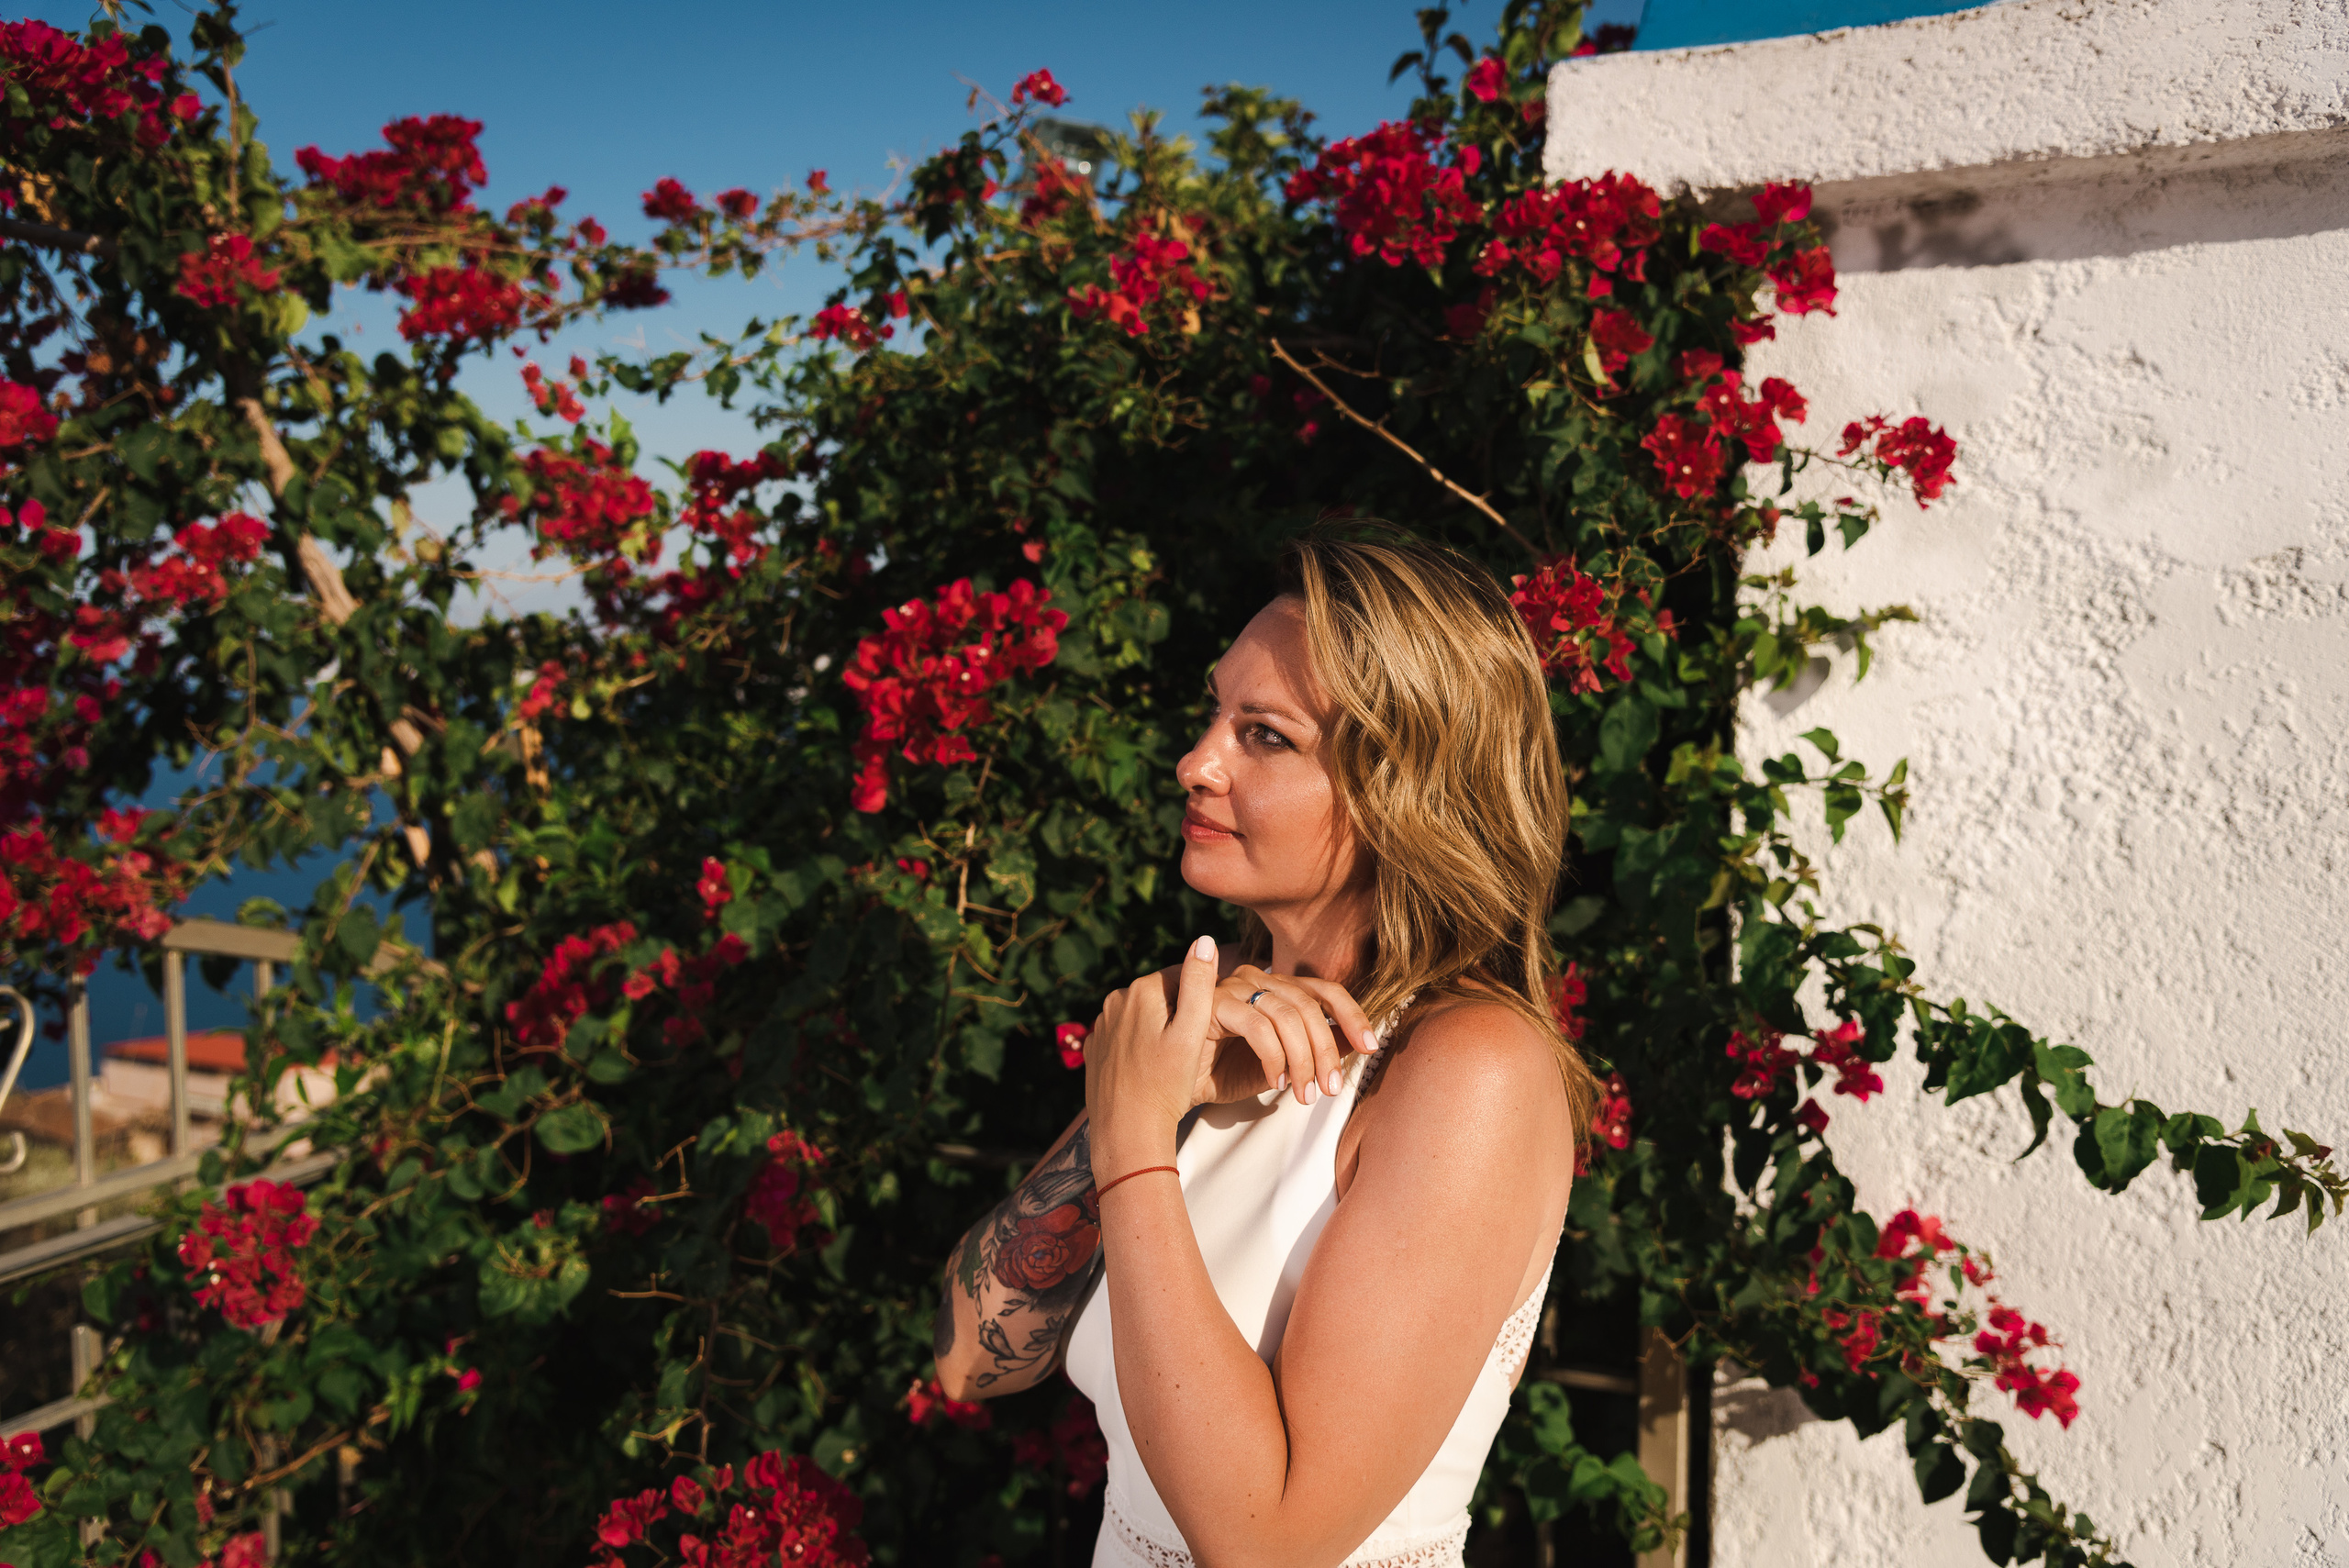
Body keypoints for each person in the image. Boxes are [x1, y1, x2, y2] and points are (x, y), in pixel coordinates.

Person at [931, 527, 1598, 1568]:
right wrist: (1151, 1089)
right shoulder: (1204, 1030)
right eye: (1214, 714)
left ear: (1404, 787)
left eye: (1266, 736)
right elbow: (973, 1358)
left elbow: (1267, 1541)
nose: (1197, 762)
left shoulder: (1468, 1069)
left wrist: (1136, 1135)